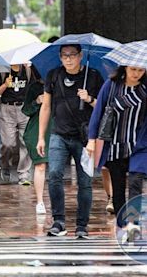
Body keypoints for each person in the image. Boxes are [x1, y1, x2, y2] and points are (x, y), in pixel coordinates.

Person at [37, 44, 103, 238]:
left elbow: (103, 107)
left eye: (72, 55)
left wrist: (89, 98)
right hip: (59, 134)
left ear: (80, 56)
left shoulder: (93, 76)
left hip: (85, 138)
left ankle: (82, 225)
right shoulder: (53, 75)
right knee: (55, 174)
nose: (68, 59)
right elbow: (46, 107)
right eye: (64, 56)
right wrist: (41, 137)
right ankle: (59, 221)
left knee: (85, 181)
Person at [86, 65, 146, 233]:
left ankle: (133, 223)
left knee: (136, 180)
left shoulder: (145, 88)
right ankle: (123, 225)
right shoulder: (111, 86)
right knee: (118, 190)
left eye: (141, 71)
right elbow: (97, 113)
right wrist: (91, 140)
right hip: (115, 144)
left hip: (139, 145)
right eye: (133, 69)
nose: (136, 74)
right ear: (125, 68)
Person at [0, 64, 38, 185]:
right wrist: (5, 85)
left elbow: (36, 87)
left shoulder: (28, 70)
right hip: (7, 108)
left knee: (26, 142)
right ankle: (5, 166)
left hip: (24, 108)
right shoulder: (2, 71)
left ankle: (24, 173)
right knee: (8, 143)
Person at [22, 66, 51, 214]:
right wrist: (37, 101)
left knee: (55, 169)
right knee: (40, 165)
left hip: (58, 129)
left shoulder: (60, 84)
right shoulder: (34, 87)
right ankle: (40, 201)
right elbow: (26, 110)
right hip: (36, 131)